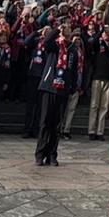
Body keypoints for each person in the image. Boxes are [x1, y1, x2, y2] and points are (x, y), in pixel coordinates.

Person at [35, 23, 81, 166]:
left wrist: (73, 86)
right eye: (65, 30)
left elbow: (74, 70)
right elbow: (47, 41)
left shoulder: (73, 50)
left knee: (57, 125)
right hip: (50, 87)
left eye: (68, 30)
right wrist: (57, 30)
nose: (67, 32)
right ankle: (40, 153)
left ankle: (52, 154)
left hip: (63, 90)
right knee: (45, 122)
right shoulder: (54, 46)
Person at [87, 24, 109, 140]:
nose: (108, 34)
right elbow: (92, 42)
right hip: (97, 77)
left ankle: (100, 131)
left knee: (104, 107)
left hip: (108, 79)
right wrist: (101, 30)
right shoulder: (98, 44)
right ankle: (91, 130)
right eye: (106, 33)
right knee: (95, 105)